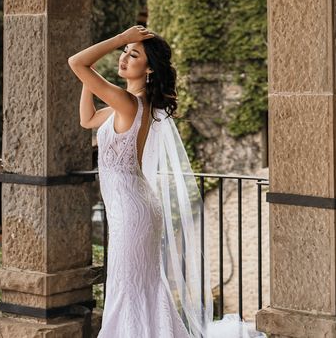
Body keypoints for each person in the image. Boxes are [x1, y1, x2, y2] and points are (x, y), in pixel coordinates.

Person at [69, 25, 265, 338]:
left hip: (133, 214)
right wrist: (88, 76)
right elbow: (87, 119)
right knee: (136, 288)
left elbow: (75, 62)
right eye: (124, 51)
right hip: (134, 209)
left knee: (126, 289)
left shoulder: (128, 103)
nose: (124, 57)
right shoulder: (129, 103)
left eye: (133, 54)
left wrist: (116, 40)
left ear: (148, 69)